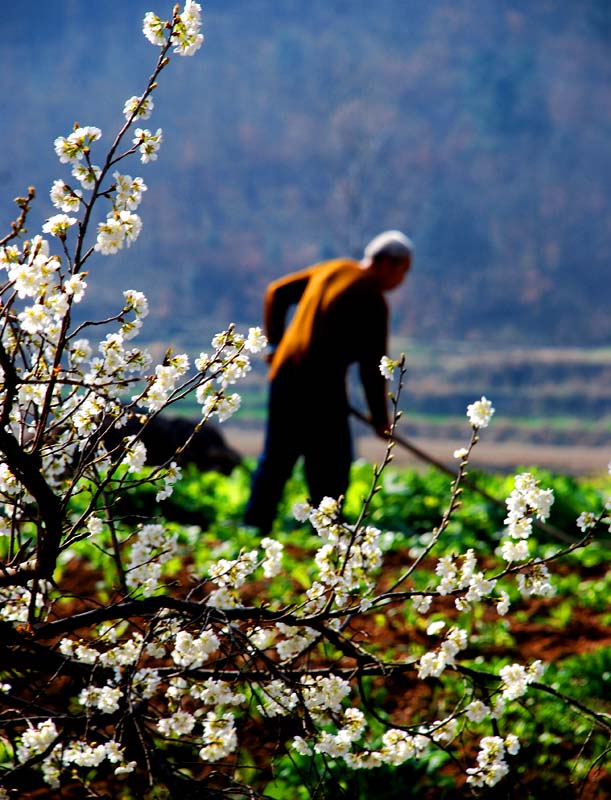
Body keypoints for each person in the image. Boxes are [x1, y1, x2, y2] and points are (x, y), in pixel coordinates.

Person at [244, 230, 413, 534]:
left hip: (285, 377)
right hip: (322, 390)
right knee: (331, 466)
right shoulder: (372, 299)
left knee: (276, 459)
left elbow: (276, 292)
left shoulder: (333, 269)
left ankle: (254, 527)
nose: (402, 280)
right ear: (388, 263)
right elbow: (372, 368)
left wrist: (275, 347)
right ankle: (328, 535)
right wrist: (380, 419)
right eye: (404, 271)